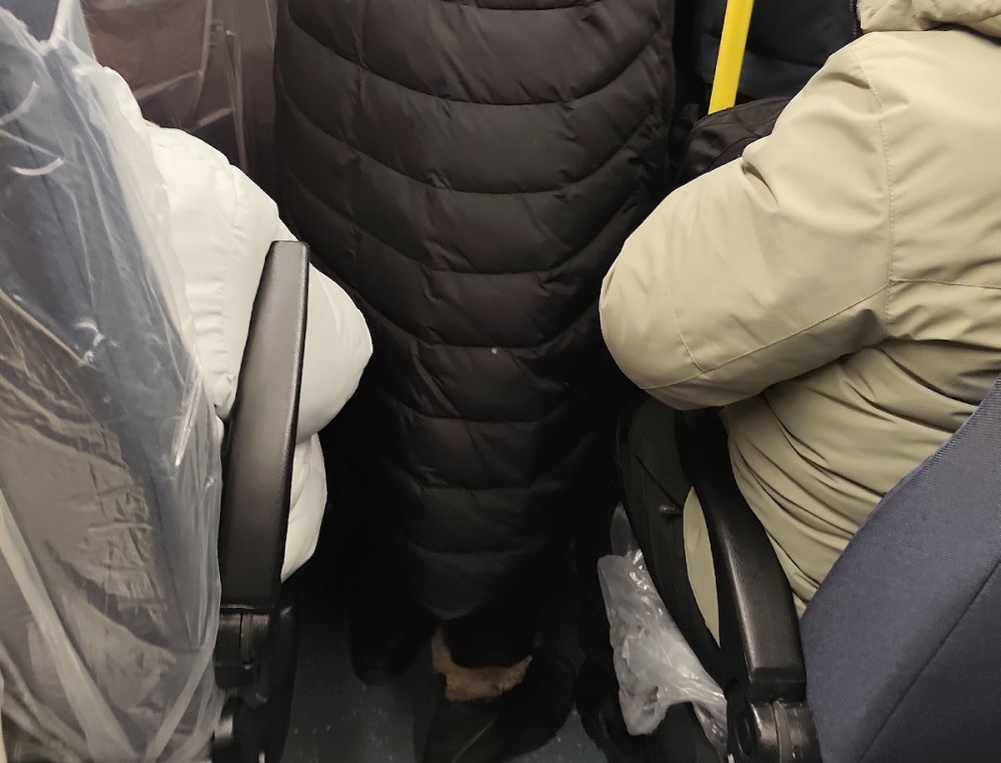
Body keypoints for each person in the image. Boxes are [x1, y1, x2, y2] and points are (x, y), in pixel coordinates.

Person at [273, 1, 676, 759]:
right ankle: (483, 676)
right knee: (510, 385)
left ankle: (384, 621)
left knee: (373, 305)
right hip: (541, 88)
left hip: (352, 65)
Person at [601, 0, 1001, 684]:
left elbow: (640, 322)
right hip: (959, 633)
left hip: (814, 603)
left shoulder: (906, 110)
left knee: (631, 424)